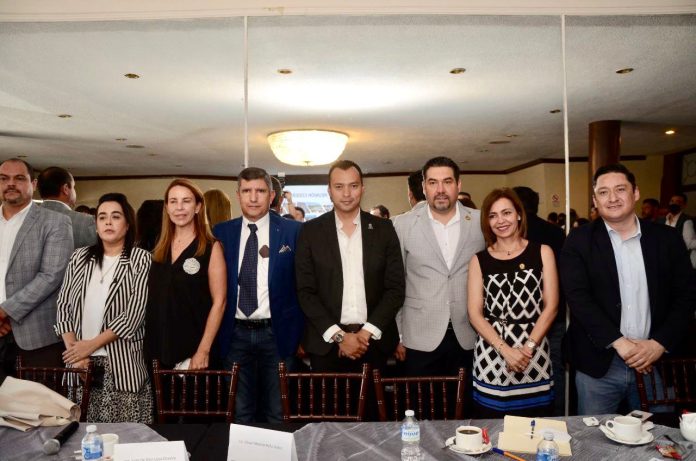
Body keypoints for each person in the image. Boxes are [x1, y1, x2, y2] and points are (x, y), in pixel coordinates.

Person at [560, 164, 695, 415]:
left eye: (620, 189)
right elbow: (578, 298)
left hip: (656, 361)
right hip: (600, 364)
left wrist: (658, 344)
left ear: (635, 193)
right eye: (603, 192)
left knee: (660, 434)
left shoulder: (667, 239)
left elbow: (686, 296)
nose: (612, 198)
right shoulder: (579, 241)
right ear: (595, 200)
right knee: (595, 435)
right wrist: (620, 343)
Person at [295, 160, 405, 372]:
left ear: (362, 188)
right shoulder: (310, 232)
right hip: (326, 346)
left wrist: (365, 334)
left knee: (374, 397)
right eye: (339, 187)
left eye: (353, 186)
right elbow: (305, 291)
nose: (346, 194)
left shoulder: (384, 229)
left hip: (374, 343)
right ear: (329, 191)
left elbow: (395, 288)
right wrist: (339, 337)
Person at [213, 167, 304, 423]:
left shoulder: (293, 231)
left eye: (260, 191)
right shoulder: (221, 233)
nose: (253, 198)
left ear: (272, 195)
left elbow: (303, 286)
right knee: (239, 413)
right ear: (238, 195)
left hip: (278, 335)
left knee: (278, 412)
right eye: (247, 191)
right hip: (234, 335)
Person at [55, 193, 153, 423]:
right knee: (83, 436)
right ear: (96, 225)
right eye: (102, 217)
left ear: (127, 224)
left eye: (116, 216)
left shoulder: (141, 259)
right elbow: (63, 307)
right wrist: (75, 355)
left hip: (122, 364)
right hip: (81, 365)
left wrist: (89, 346)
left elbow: (133, 316)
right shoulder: (79, 257)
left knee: (126, 437)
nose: (108, 222)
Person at [467, 188, 558, 417]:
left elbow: (552, 306)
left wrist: (526, 350)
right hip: (491, 352)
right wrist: (505, 351)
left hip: (534, 350)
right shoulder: (479, 260)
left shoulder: (543, 252)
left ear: (518, 214)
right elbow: (474, 314)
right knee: (491, 426)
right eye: (493, 215)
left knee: (536, 426)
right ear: (487, 222)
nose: (501, 220)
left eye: (506, 213)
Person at [392, 156, 485, 378]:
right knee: (421, 399)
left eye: (447, 181)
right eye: (433, 182)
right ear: (424, 187)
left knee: (464, 399)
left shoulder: (480, 222)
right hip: (419, 336)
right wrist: (398, 335)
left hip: (469, 334)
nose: (440, 189)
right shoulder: (402, 224)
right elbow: (396, 282)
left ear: (458, 185)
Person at [145, 179, 226, 372]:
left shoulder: (211, 247)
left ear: (198, 207)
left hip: (195, 351)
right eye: (173, 201)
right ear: (167, 207)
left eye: (186, 201)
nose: (179, 208)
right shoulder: (159, 247)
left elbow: (220, 302)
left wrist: (203, 350)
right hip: (157, 349)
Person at [0, 158, 73, 372]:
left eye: (19, 178)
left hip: (37, 337)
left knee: (39, 395)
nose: (10, 183)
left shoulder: (55, 222)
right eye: (4, 178)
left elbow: (52, 276)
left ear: (33, 184)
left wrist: (4, 312)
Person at [513, 185, 565, 416]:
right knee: (554, 369)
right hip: (552, 315)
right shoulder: (555, 232)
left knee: (519, 368)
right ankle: (555, 416)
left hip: (519, 318)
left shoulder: (512, 233)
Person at [37, 166, 97, 249]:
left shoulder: (25, 218)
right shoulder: (87, 222)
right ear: (65, 189)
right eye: (73, 187)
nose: (74, 191)